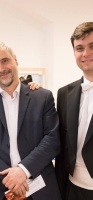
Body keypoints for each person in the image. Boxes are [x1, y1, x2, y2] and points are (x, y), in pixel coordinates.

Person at [0, 41, 61, 200]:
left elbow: (52, 139)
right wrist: (11, 179)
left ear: (15, 60)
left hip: (38, 187)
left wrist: (23, 171)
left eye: (5, 60)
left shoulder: (42, 97)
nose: (1, 68)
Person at [55, 22, 93, 200]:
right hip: (73, 187)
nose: (86, 53)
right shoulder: (64, 93)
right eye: (79, 48)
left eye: (92, 46)